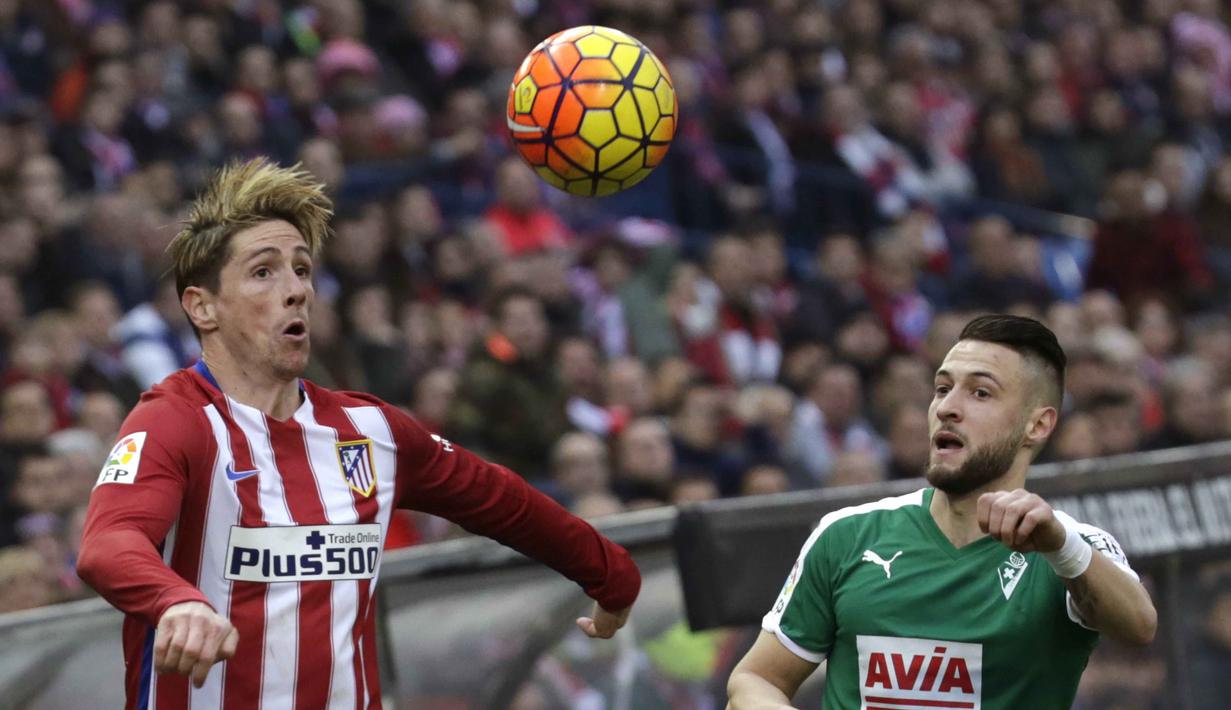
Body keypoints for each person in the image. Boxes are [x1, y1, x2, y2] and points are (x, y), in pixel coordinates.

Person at [76, 159, 641, 710]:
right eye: (264, 272)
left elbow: (504, 501)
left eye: (302, 269)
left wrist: (611, 573)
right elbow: (108, 543)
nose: (296, 290)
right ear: (202, 307)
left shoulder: (370, 431)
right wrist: (176, 600)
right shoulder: (175, 419)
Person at [727, 315, 1156, 709]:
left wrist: (1062, 547)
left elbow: (1139, 626)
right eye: (942, 387)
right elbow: (754, 680)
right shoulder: (847, 535)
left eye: (980, 392)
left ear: (1037, 425)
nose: (948, 407)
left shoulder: (1066, 548)